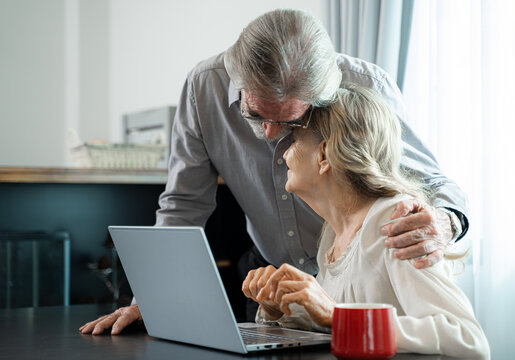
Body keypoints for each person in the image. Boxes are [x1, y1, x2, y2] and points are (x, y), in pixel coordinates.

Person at [79, 9, 468, 336]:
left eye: (290, 124)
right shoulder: (204, 88)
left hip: (355, 286)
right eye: (254, 114)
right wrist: (155, 297)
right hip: (276, 286)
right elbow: (183, 204)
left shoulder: (365, 86)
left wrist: (446, 222)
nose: (270, 137)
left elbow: (434, 184)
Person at [243, 86, 489, 357]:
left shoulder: (393, 222)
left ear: (324, 156)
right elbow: (335, 324)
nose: (285, 153)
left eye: (296, 141)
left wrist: (337, 316)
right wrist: (279, 306)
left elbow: (468, 339)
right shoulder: (333, 236)